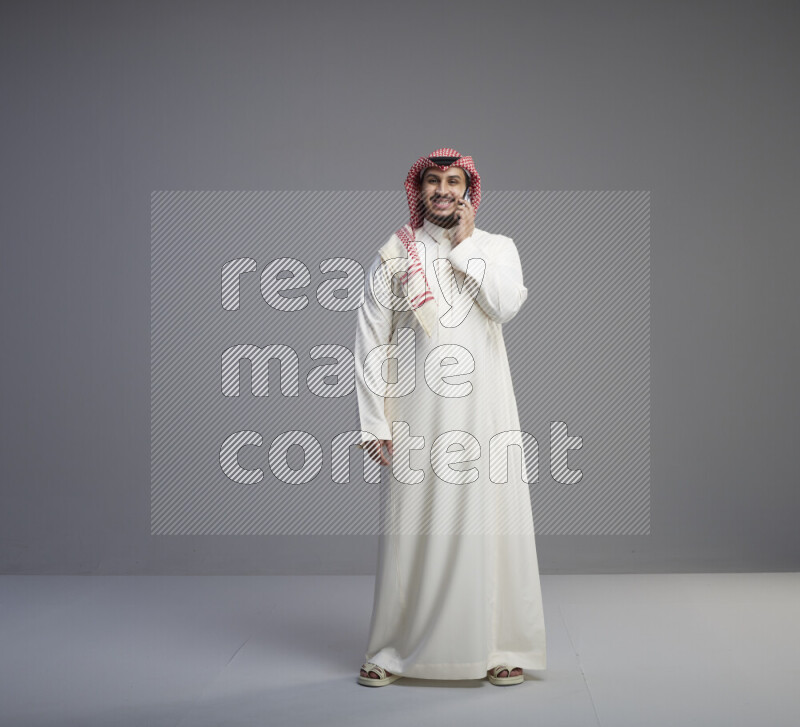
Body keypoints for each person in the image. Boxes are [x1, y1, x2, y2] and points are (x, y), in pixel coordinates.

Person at [354, 148, 546, 687]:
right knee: (412, 528)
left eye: (453, 181)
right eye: (433, 181)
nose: (443, 190)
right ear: (419, 191)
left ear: (468, 190)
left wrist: (465, 245)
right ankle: (392, 650)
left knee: (491, 521)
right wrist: (375, 421)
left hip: (486, 411)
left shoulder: (496, 247)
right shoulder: (395, 253)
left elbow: (505, 306)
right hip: (416, 410)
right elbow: (372, 339)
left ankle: (499, 646)